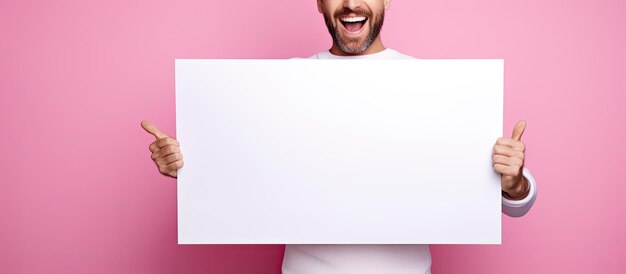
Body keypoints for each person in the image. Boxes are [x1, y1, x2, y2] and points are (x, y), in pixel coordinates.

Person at [141, 0, 538, 273]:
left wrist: (514, 182)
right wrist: (185, 167)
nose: (350, 1)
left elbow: (514, 205)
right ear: (318, 1)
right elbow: (238, 176)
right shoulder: (278, 86)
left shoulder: (434, 85)